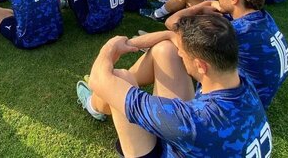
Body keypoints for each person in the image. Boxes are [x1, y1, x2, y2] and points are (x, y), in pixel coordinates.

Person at [77, 14, 271, 157]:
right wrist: (129, 43)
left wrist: (109, 48)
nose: (180, 54)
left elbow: (100, 79)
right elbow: (173, 38)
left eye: (184, 54)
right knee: (165, 51)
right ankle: (96, 105)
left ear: (201, 65)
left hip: (193, 133)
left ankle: (93, 106)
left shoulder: (191, 120)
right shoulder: (242, 81)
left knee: (119, 78)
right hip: (202, 141)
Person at [164, 0, 288, 108]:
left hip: (238, 103)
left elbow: (171, 22)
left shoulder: (237, 31)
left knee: (170, 48)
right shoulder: (262, 18)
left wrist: (198, 7)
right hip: (261, 93)